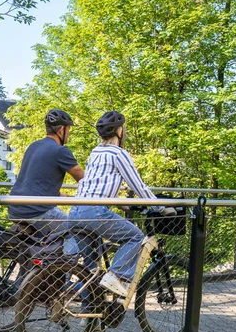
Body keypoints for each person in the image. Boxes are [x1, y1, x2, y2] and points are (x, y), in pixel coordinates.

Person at [68, 111, 175, 297]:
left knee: (90, 271)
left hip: (76, 212)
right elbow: (139, 186)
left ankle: (91, 320)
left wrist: (121, 203)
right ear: (119, 130)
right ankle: (116, 276)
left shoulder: (95, 152)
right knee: (134, 237)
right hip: (94, 213)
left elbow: (98, 183)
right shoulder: (119, 154)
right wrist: (161, 207)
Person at [8, 109, 84, 234]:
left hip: (15, 207)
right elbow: (83, 179)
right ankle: (72, 253)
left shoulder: (34, 146)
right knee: (78, 233)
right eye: (68, 130)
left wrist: (59, 195)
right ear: (61, 130)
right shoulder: (60, 151)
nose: (69, 133)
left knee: (49, 242)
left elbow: (35, 179)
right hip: (37, 210)